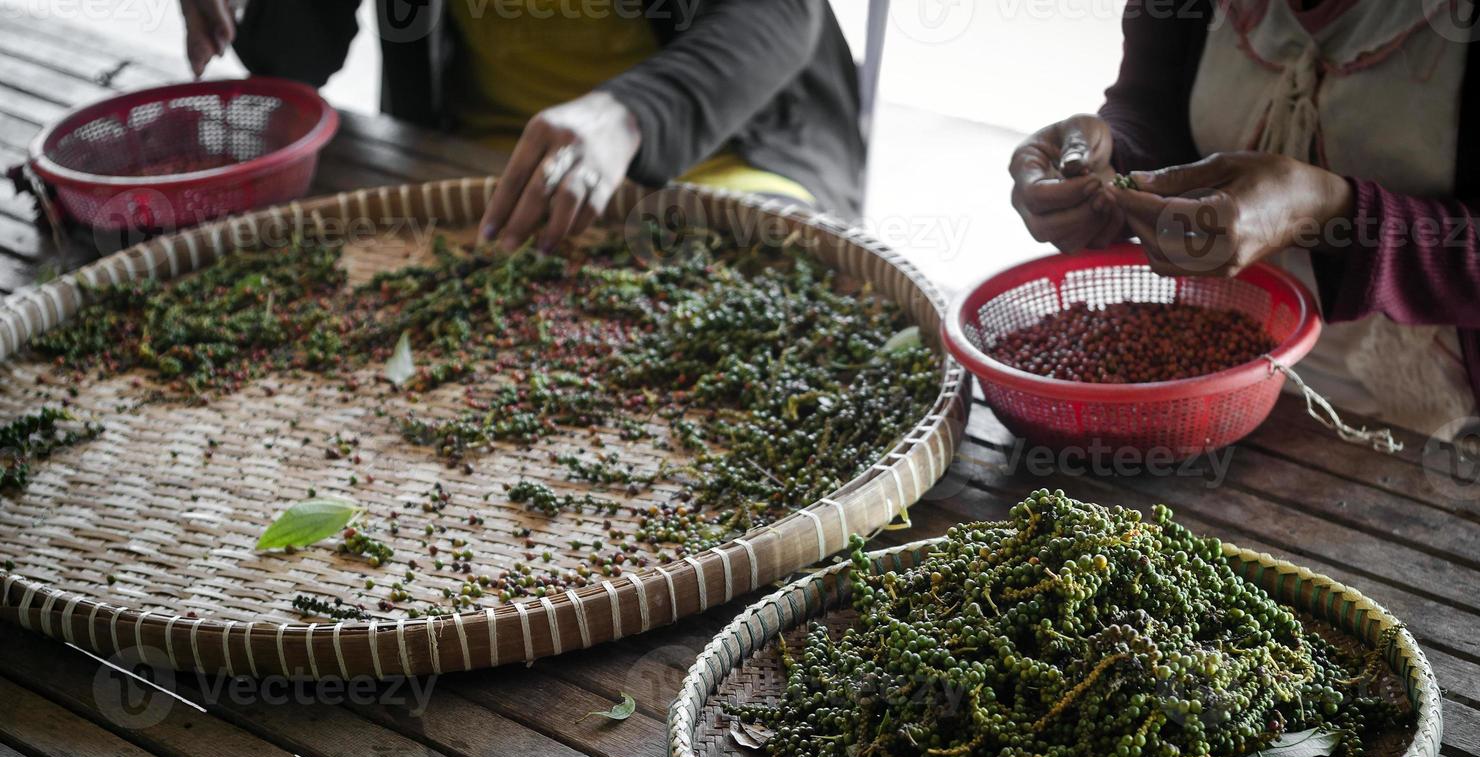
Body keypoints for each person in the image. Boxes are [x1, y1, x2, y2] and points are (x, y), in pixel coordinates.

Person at [1009, 0, 1480, 439]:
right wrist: (1112, 160)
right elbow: (1151, 103)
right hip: (1211, 380)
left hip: (1431, 417)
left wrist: (1327, 212)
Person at [179, 0, 865, 252]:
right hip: (485, 160)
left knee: (759, 293)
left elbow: (783, 14)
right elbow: (296, 56)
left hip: (718, 149)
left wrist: (628, 113)